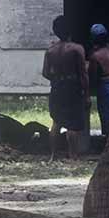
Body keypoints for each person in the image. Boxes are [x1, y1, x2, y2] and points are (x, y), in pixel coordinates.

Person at [42, 16, 89, 159]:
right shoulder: (77, 49)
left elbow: (45, 73)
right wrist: (86, 94)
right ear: (70, 31)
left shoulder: (50, 50)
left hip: (57, 86)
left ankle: (53, 155)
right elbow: (83, 74)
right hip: (72, 87)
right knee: (72, 123)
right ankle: (73, 155)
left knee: (56, 122)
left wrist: (57, 80)